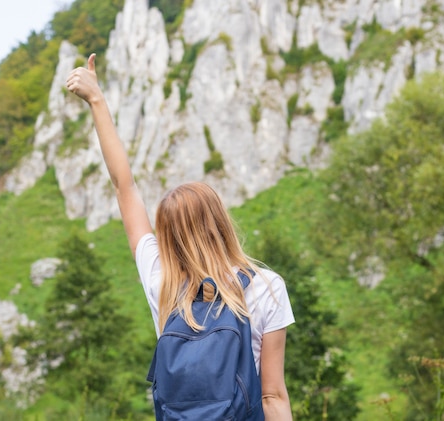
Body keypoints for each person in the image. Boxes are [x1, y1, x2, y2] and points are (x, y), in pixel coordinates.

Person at [66, 54, 295, 420]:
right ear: (221, 222)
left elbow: (124, 187)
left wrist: (97, 100)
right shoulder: (267, 287)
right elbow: (272, 397)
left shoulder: (164, 282)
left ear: (168, 236)